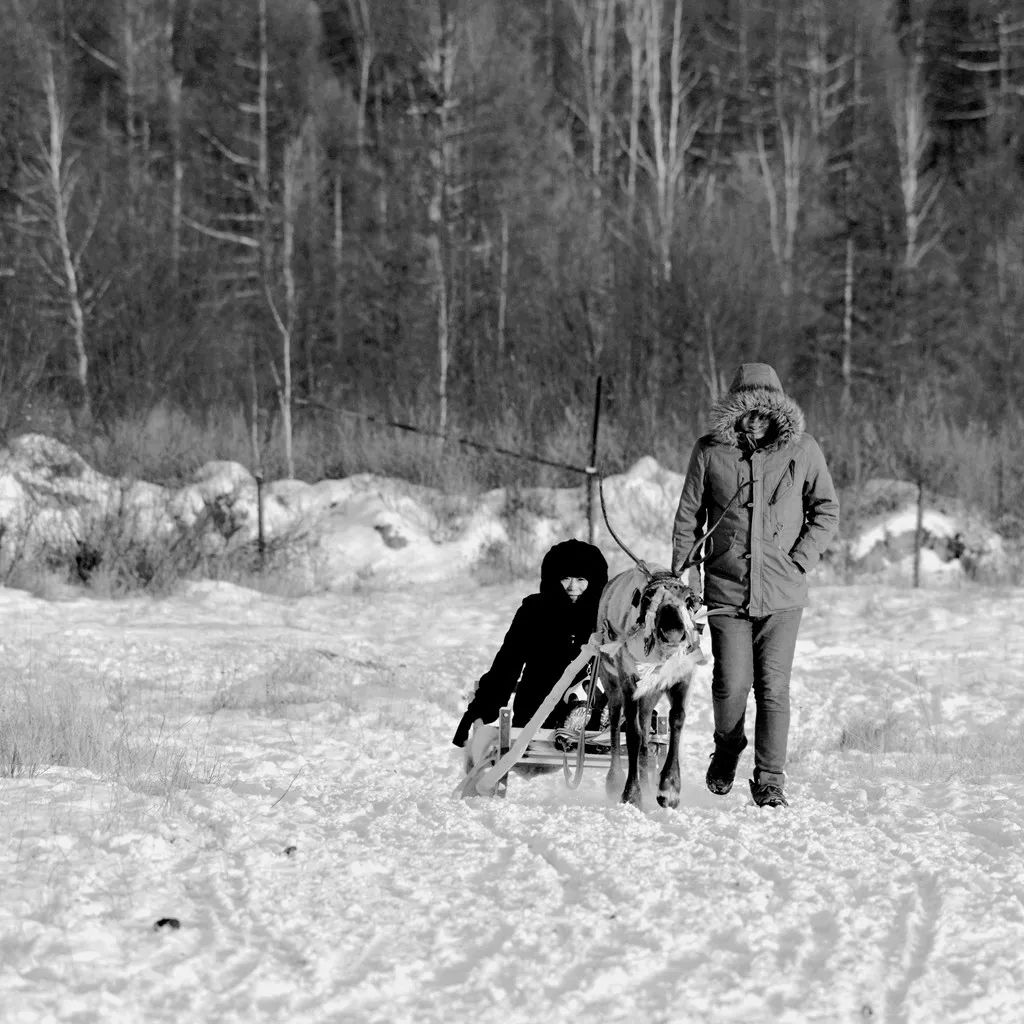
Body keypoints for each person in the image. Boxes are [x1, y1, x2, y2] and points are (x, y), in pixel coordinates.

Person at [671, 363, 839, 807]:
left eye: (764, 413)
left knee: (773, 687)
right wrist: (688, 580)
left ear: (778, 413)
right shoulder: (709, 451)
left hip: (783, 596)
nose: (756, 421)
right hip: (726, 591)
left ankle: (769, 780)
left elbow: (826, 510)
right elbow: (689, 519)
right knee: (730, 683)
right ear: (734, 413)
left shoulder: (803, 450)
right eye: (747, 413)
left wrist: (799, 560)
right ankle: (726, 750)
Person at [452, 538, 609, 749]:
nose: (573, 587)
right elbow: (507, 664)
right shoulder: (535, 611)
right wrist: (480, 709)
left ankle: (596, 720)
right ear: (554, 578)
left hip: (592, 715)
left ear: (594, 580)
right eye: (566, 578)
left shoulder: (606, 616)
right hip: (537, 716)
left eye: (581, 579)